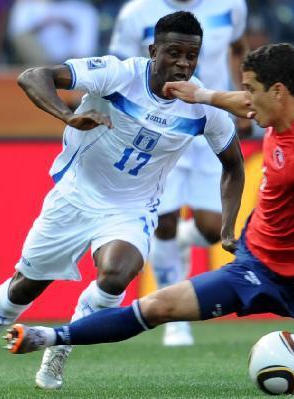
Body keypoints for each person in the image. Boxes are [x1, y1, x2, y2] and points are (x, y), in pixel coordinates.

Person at [5, 43, 294, 388]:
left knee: (157, 307)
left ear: (278, 91)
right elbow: (243, 103)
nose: (245, 98)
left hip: (261, 269)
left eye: (251, 88)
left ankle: (48, 337)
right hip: (276, 250)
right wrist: (202, 95)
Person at [0, 11, 244, 391]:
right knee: (24, 287)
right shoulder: (117, 74)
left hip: (131, 208)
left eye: (192, 56)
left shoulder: (202, 107)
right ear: (154, 50)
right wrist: (68, 116)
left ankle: (60, 347)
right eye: (174, 53)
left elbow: (234, 166)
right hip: (76, 195)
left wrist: (227, 227)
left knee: (117, 275)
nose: (183, 64)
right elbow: (32, 76)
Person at [109, 0, 248, 348]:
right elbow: (119, 67)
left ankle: (182, 242)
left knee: (211, 228)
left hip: (209, 121)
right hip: (161, 123)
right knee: (164, 221)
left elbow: (239, 47)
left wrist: (240, 96)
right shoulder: (135, 13)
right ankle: (174, 321)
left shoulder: (231, 5)